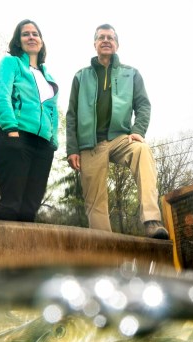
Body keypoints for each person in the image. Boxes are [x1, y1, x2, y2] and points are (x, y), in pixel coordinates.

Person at [66, 23, 169, 240]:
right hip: (90, 143)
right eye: (101, 37)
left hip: (121, 137)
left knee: (142, 150)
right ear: (94, 44)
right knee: (94, 199)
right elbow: (72, 115)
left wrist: (138, 129)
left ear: (117, 45)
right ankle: (104, 242)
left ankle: (152, 222)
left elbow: (143, 105)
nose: (106, 40)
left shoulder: (131, 74)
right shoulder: (80, 76)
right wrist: (72, 148)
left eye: (110, 38)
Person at [0, 19, 58, 222]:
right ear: (18, 41)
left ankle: (22, 255)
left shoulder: (49, 77)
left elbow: (52, 111)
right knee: (11, 207)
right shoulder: (11, 63)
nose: (31, 37)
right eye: (25, 34)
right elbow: (2, 96)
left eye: (35, 34)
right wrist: (11, 128)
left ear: (41, 41)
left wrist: (53, 141)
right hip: (16, 137)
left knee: (29, 211)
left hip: (43, 146)